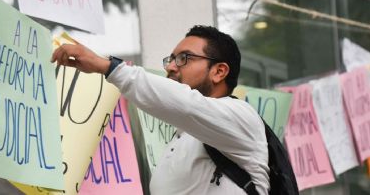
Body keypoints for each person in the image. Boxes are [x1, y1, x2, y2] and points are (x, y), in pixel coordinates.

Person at [51, 25, 269, 194]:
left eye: (184, 58)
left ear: (219, 72)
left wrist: (107, 67)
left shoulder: (241, 116)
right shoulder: (183, 136)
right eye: (171, 59)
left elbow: (186, 104)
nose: (171, 67)